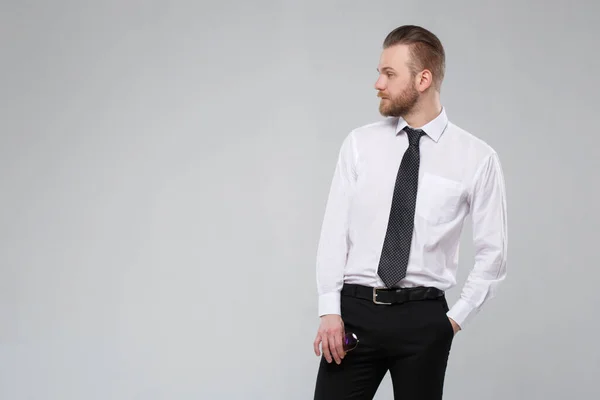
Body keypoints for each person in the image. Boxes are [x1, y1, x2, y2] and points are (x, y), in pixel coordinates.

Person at [312, 25, 508, 400]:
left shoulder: (477, 158)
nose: (377, 84)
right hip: (355, 313)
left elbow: (493, 255)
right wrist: (329, 311)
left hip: (424, 319)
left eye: (388, 74)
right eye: (379, 72)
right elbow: (334, 232)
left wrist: (451, 322)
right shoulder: (359, 145)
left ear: (423, 79)